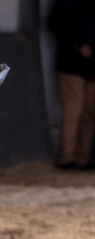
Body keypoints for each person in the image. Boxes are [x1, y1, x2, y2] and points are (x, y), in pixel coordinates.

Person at [49, 0, 95, 170]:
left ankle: (83, 158)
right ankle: (67, 158)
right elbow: (54, 23)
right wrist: (77, 44)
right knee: (73, 110)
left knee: (89, 112)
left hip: (92, 66)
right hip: (72, 64)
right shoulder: (68, 3)